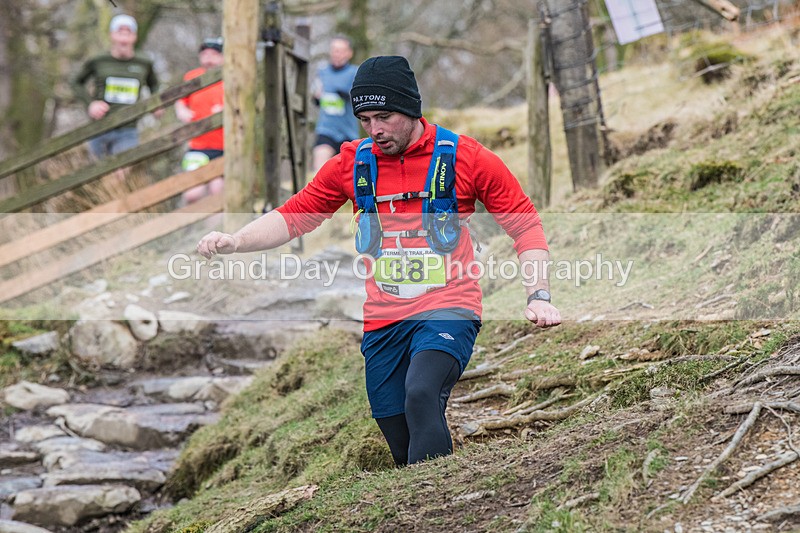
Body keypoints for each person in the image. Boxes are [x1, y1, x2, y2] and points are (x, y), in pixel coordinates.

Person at [197, 56, 561, 466]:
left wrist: (538, 294)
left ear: (411, 108)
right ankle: (423, 493)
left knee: (422, 394)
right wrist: (236, 239)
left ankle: (428, 504)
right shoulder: (352, 164)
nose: (375, 130)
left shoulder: (467, 158)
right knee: (397, 429)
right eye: (366, 119)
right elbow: (294, 215)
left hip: (448, 305)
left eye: (384, 116)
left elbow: (525, 226)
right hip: (384, 317)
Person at [71, 14, 160, 158]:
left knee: (119, 175)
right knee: (97, 175)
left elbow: (154, 85)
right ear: (112, 35)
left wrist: (156, 104)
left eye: (128, 32)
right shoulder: (98, 60)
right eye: (120, 32)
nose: (124, 38)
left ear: (134, 37)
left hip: (128, 129)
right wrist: (90, 104)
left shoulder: (144, 62)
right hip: (99, 127)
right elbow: (76, 82)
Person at [175, 37, 225, 203]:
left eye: (214, 54)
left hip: (222, 147)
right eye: (205, 54)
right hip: (197, 145)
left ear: (222, 57)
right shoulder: (192, 77)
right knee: (192, 194)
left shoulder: (229, 78)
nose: (209, 58)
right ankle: (191, 228)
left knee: (217, 192)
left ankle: (216, 228)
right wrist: (182, 111)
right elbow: (180, 101)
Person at [311, 36, 359, 173]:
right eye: (334, 50)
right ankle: (318, 192)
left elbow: (356, 98)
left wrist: (345, 94)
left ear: (349, 53)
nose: (337, 54)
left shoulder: (354, 73)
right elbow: (317, 97)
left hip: (347, 132)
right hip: (326, 129)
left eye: (341, 50)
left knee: (349, 174)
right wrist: (317, 97)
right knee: (320, 167)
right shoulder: (322, 72)